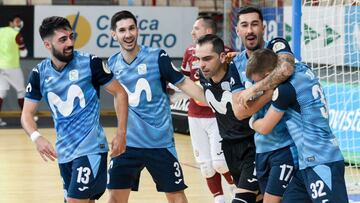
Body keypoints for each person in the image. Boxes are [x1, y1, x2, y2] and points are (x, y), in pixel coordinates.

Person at [21, 16, 129, 203]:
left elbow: (120, 93)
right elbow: (26, 114)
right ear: (47, 45)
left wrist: (121, 133)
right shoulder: (39, 74)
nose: (70, 43)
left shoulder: (90, 62)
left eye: (72, 36)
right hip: (64, 153)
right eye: (63, 40)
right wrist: (36, 137)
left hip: (91, 149)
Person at [107, 10, 207, 203]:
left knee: (176, 197)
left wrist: (213, 102)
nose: (128, 34)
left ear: (137, 30)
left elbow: (183, 83)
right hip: (127, 145)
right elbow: (118, 97)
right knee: (115, 198)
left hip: (159, 144)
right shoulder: (112, 63)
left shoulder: (157, 56)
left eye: (131, 28)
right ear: (114, 34)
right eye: (122, 30)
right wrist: (120, 132)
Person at [247, 48, 348, 203]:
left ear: (268, 76)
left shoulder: (285, 90)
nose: (257, 85)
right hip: (306, 164)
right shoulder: (303, 69)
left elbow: (265, 127)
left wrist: (252, 121)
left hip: (322, 161)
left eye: (258, 81)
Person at [195, 34, 272, 203]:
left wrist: (269, 92)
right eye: (199, 59)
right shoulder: (203, 75)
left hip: (253, 145)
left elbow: (243, 109)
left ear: (222, 57)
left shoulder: (237, 73)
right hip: (230, 147)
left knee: (242, 199)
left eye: (207, 58)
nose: (202, 64)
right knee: (256, 198)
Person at [181, 15, 234, 203]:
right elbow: (184, 80)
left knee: (220, 163)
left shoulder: (227, 53)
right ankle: (219, 199)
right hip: (195, 116)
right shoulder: (189, 52)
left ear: (208, 31)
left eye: (196, 28)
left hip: (217, 116)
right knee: (205, 165)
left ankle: (236, 190)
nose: (192, 32)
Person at [231, 6, 295, 111]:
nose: (250, 30)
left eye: (254, 24)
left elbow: (286, 69)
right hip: (262, 124)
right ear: (237, 31)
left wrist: (254, 89)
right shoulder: (235, 63)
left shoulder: (276, 46)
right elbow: (239, 111)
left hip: (291, 123)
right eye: (244, 25)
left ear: (263, 28)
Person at [0, 14, 28, 126]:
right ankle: (26, 119)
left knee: (1, 92)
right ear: (11, 23)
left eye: (20, 21)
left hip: (0, 66)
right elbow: (24, 53)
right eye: (17, 21)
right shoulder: (16, 34)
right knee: (21, 91)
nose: (19, 23)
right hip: (12, 66)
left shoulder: (0, 31)